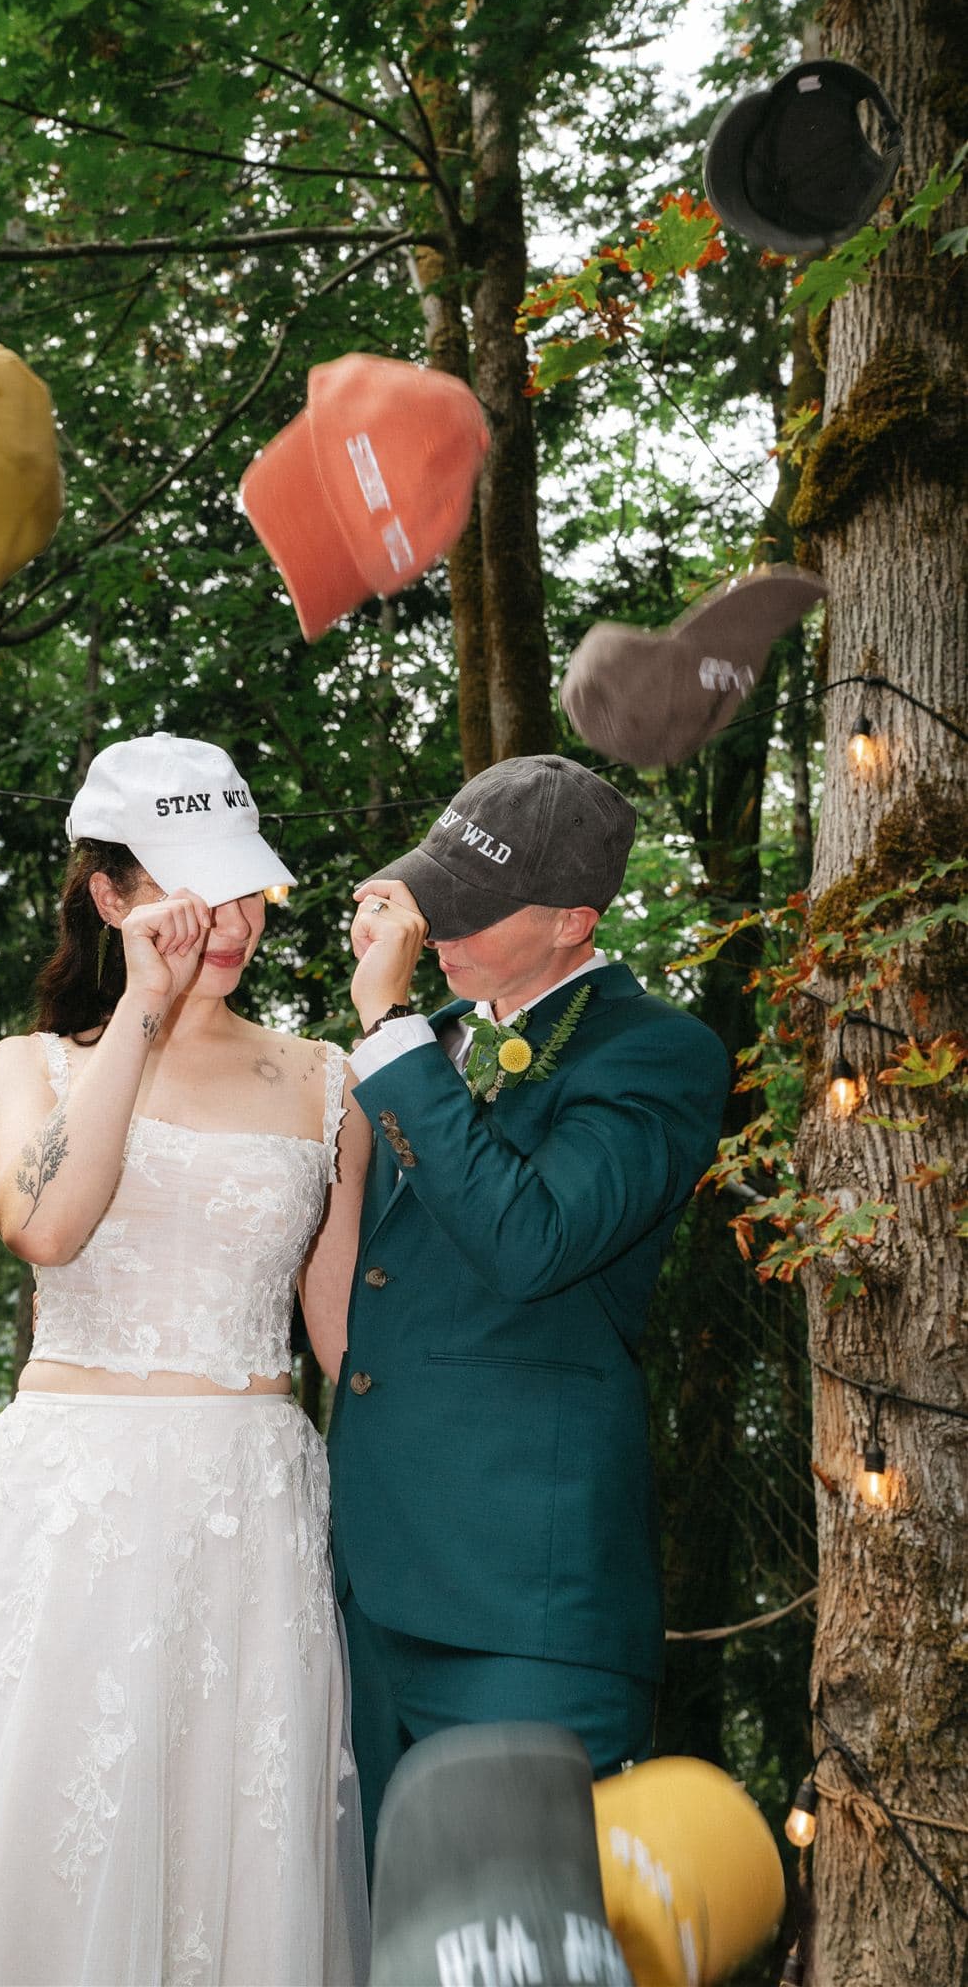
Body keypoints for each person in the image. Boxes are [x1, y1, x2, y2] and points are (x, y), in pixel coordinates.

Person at [0, 733, 371, 1987]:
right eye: (193, 886)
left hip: (256, 1514)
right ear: (113, 894)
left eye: (245, 886)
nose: (229, 920)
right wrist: (139, 1011)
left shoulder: (324, 1080)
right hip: (74, 1512)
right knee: (49, 1842)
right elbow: (47, 1224)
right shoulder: (32, 1067)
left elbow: (345, 1342)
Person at [326, 753, 732, 1863]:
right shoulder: (435, 1044)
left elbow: (530, 1238)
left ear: (574, 921)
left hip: (524, 1610)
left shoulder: (659, 1054)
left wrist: (394, 1031)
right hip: (370, 1589)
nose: (434, 927)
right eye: (431, 893)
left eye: (470, 910)